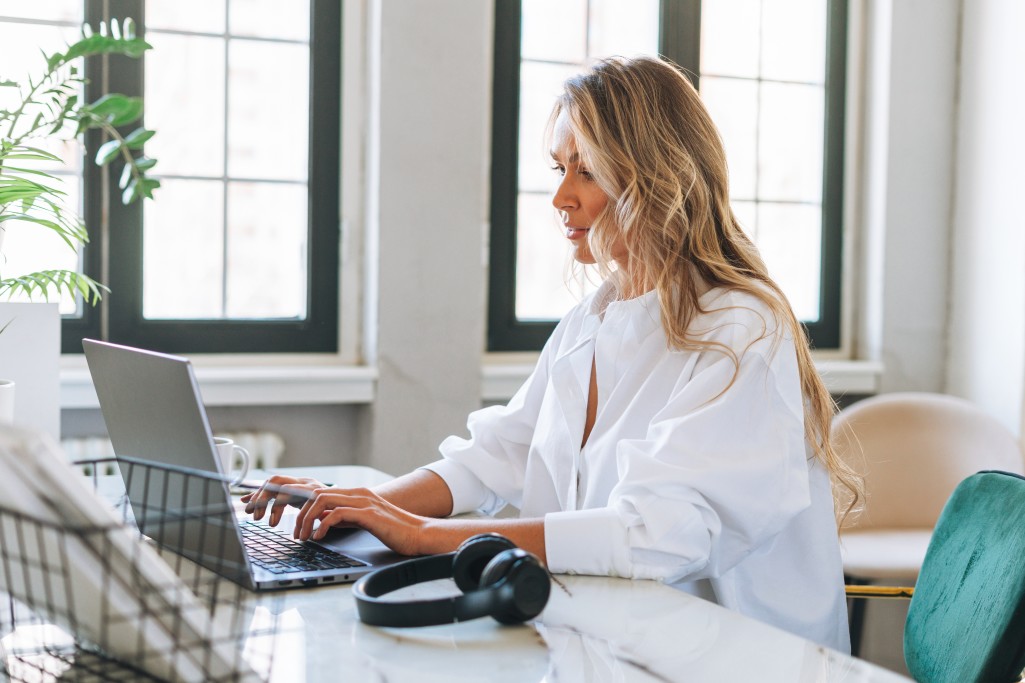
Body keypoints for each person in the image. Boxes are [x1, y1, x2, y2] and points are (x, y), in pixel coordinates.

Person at [242, 55, 862, 652]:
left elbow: (659, 535)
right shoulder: (591, 321)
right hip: (607, 633)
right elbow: (493, 458)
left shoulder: (742, 330)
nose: (561, 196)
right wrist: (365, 507)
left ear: (656, 175)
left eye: (586, 170)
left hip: (731, 657)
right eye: (558, 168)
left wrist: (427, 537)